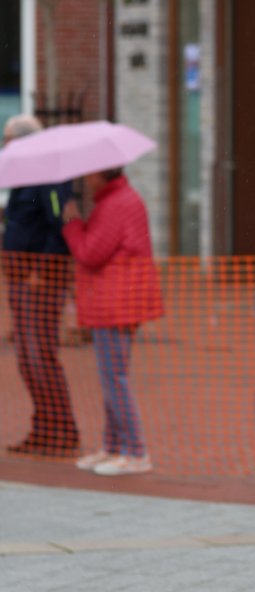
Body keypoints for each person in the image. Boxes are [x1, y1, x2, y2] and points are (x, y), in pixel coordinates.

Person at [61, 167, 164, 475]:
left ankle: (134, 450)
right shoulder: (116, 200)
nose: (85, 178)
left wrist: (72, 224)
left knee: (114, 378)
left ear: (100, 174)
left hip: (115, 302)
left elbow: (90, 252)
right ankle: (114, 446)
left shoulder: (115, 203)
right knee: (111, 378)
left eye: (89, 173)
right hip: (115, 301)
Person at [1, 114, 80, 457]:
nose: (5, 145)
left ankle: (62, 431)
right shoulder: (24, 176)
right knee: (27, 357)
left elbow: (59, 226)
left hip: (39, 281)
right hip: (21, 277)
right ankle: (44, 428)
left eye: (8, 138)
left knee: (39, 355)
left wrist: (42, 271)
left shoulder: (49, 176)